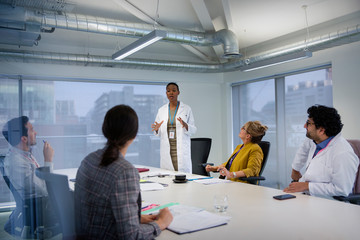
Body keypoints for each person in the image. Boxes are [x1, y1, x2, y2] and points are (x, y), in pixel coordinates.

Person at [75, 105, 173, 239]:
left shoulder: (88, 160)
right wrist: (161, 223)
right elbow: (131, 236)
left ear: (105, 129)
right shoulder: (124, 172)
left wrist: (135, 218)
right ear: (134, 135)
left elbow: (100, 209)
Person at [284, 105, 359, 199]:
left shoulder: (343, 153)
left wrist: (307, 186)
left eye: (308, 123)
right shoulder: (315, 139)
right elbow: (302, 151)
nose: (304, 126)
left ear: (321, 130)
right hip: (307, 196)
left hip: (328, 203)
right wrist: (295, 169)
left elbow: (342, 189)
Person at [1, 116, 58, 237]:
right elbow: (44, 189)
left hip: (41, 200)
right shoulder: (16, 162)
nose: (36, 132)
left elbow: (40, 181)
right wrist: (48, 160)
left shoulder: (24, 155)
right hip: (40, 205)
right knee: (78, 203)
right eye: (32, 130)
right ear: (23, 138)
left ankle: (51, 231)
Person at [151, 82, 196, 173]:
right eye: (168, 91)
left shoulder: (186, 109)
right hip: (167, 149)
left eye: (174, 90)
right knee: (168, 177)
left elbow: (194, 129)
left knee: (183, 178)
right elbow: (157, 132)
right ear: (166, 93)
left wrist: (186, 125)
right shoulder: (161, 110)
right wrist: (156, 129)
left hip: (181, 149)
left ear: (178, 92)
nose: (171, 93)